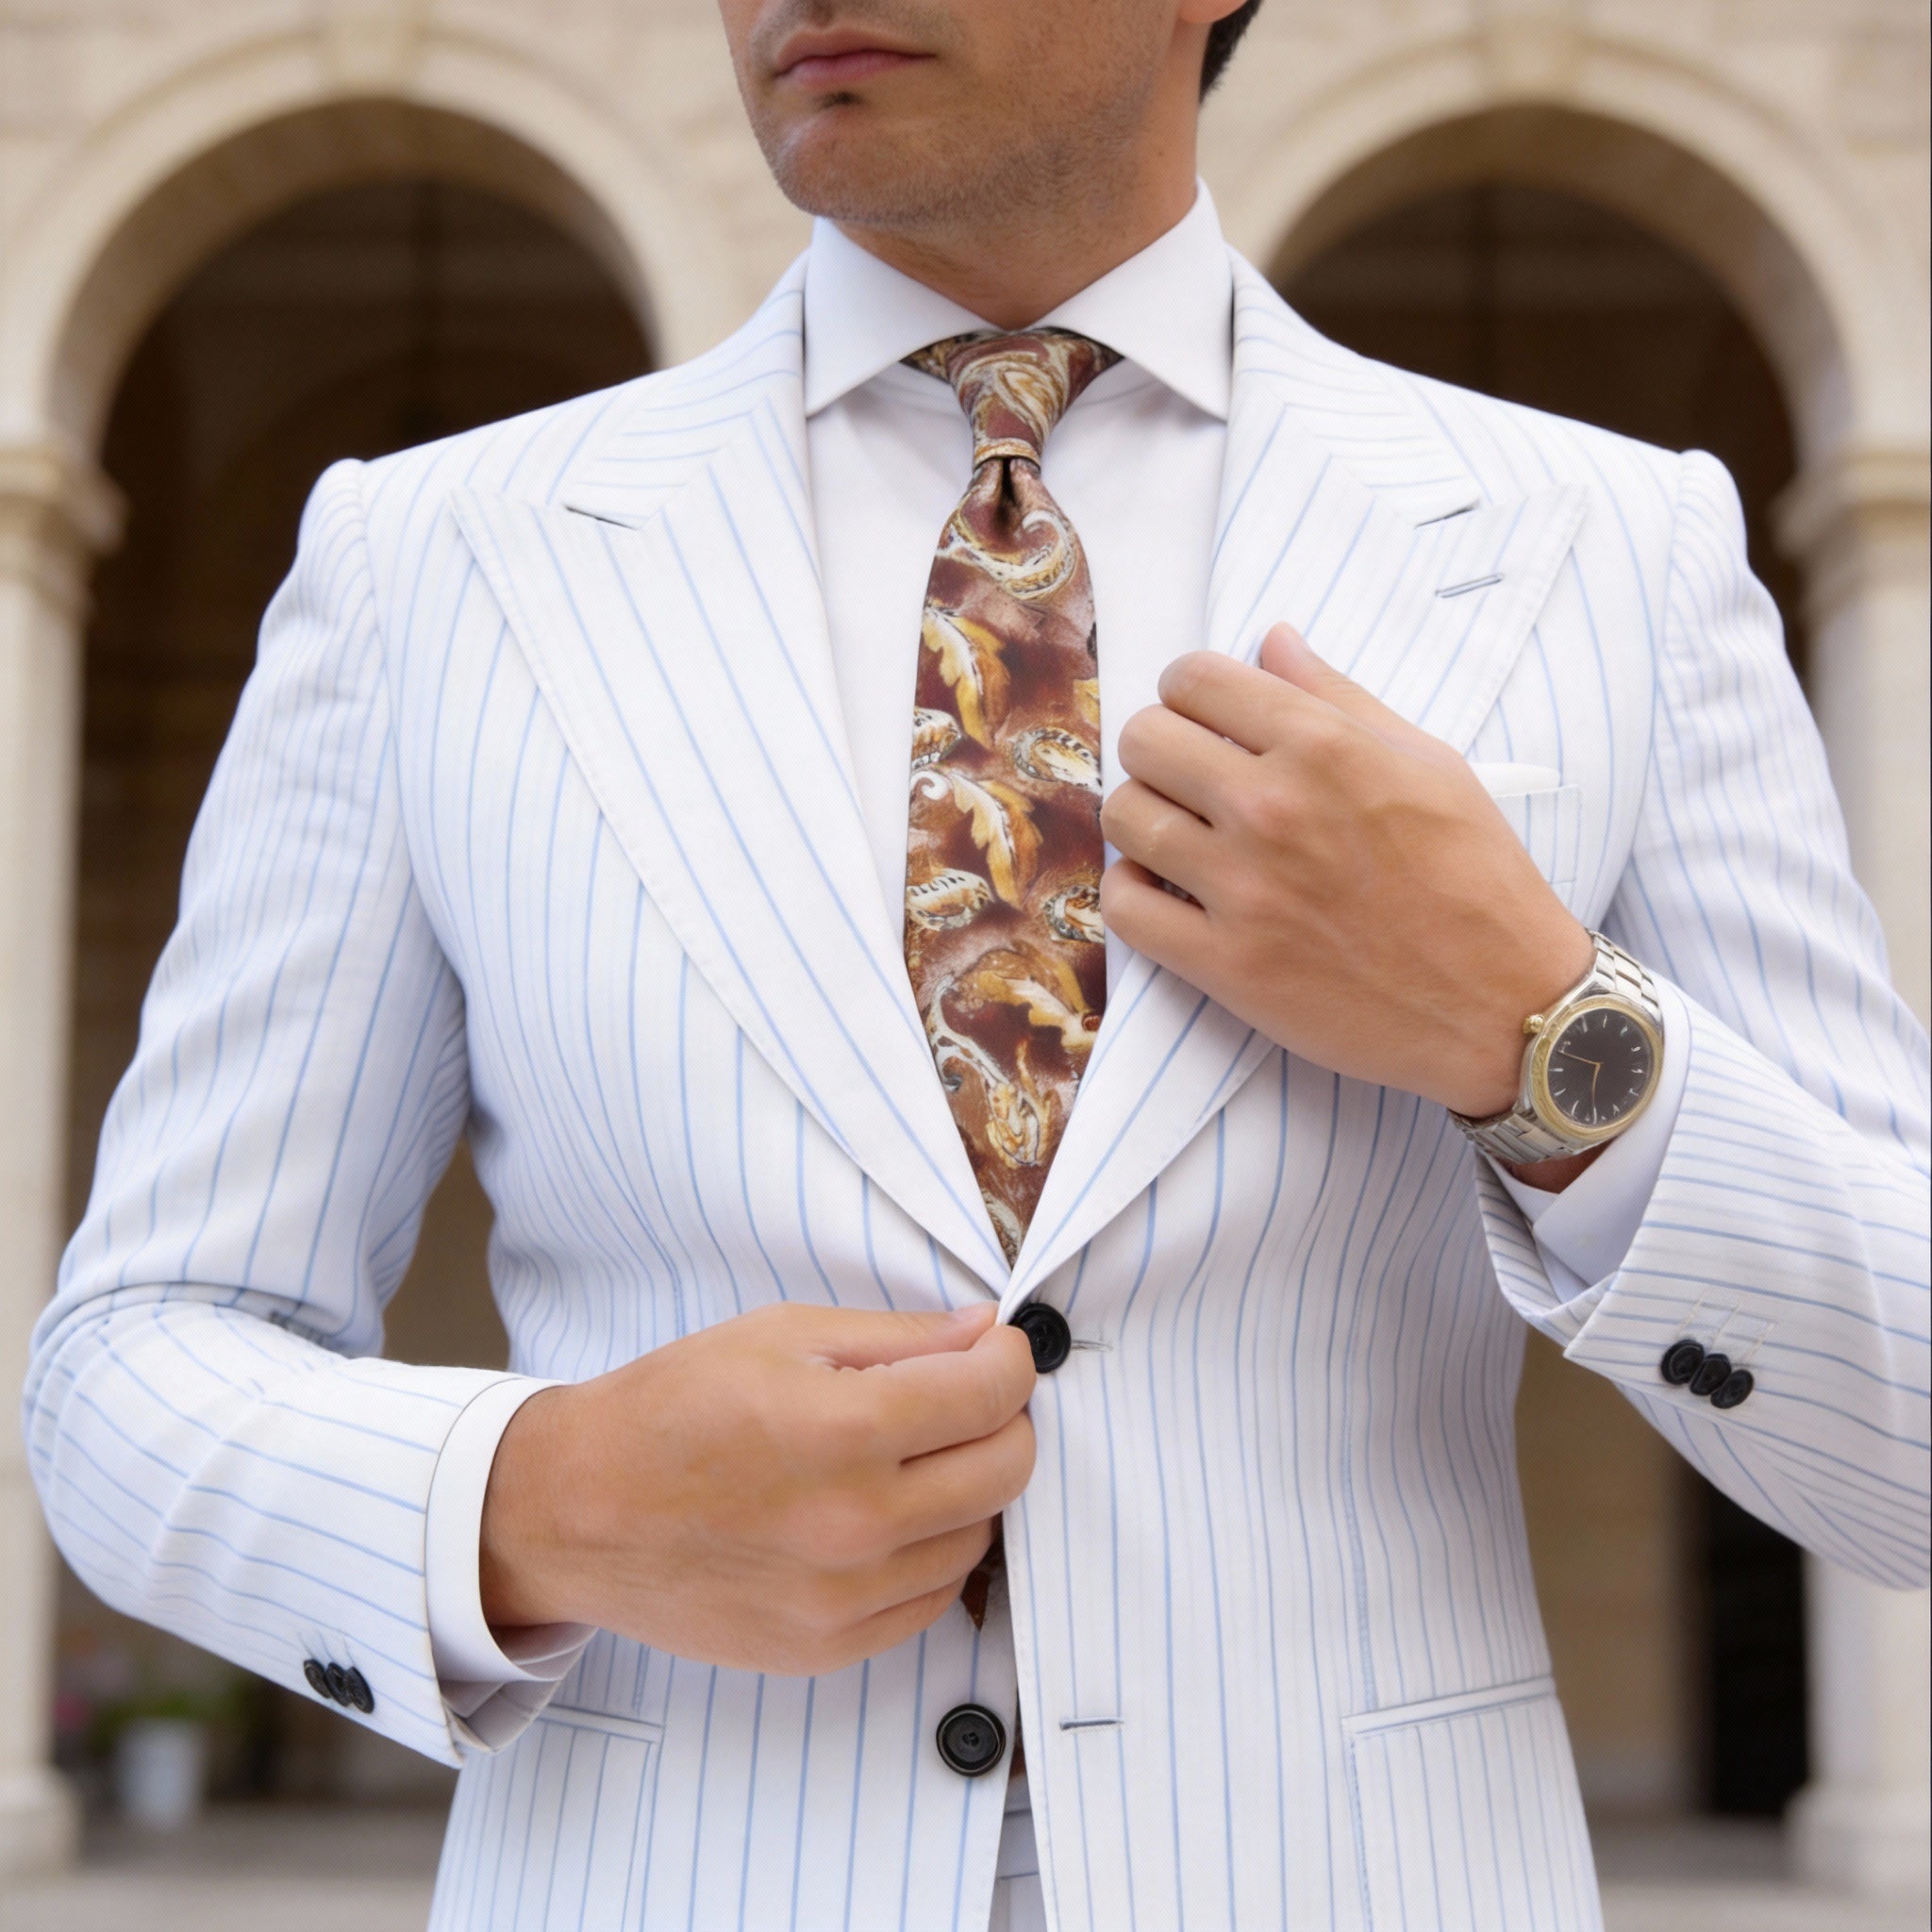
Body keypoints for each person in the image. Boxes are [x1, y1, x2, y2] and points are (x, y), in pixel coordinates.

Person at [26, 0, 1929, 1924]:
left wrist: (1542, 1032)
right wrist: (546, 1498)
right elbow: (132, 1370)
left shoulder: (1608, 549)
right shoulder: (431, 561)